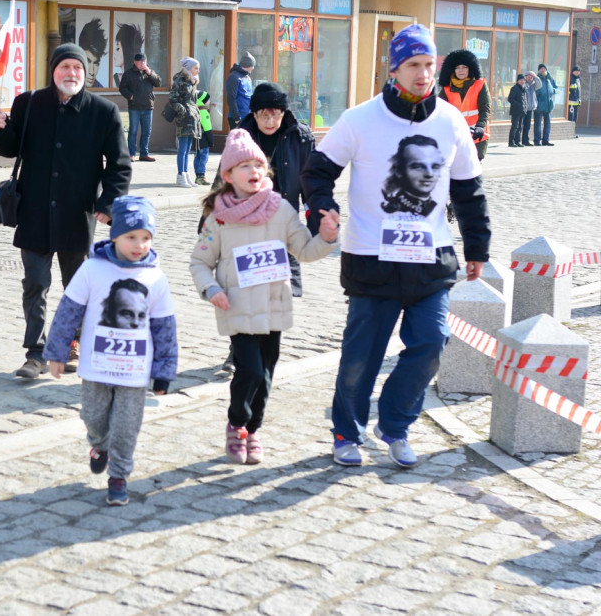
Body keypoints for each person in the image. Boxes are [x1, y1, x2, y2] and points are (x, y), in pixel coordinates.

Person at [301, 24, 491, 469]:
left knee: (431, 342)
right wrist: (322, 210)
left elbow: (469, 191)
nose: (424, 74)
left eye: (430, 65)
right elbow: (316, 172)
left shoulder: (450, 121)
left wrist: (477, 248)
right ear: (395, 69)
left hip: (431, 259)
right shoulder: (360, 119)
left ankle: (395, 425)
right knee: (359, 359)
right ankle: (347, 432)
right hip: (372, 257)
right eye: (414, 66)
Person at [190, 129, 339, 465]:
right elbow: (200, 261)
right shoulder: (219, 217)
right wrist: (211, 289)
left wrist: (327, 238)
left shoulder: (281, 209)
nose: (254, 171)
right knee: (250, 371)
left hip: (274, 307)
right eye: (244, 166)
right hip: (237, 308)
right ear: (228, 175)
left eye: (258, 164)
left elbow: (303, 250)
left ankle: (253, 431)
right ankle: (237, 423)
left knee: (267, 374)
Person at [0, 43, 132, 378]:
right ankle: (35, 353)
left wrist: (108, 203)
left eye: (77, 68)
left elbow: (120, 165)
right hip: (34, 211)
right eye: (64, 67)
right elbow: (11, 149)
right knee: (35, 284)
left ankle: (71, 343)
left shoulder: (104, 111)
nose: (71, 74)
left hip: (77, 215)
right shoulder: (30, 102)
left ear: (85, 73)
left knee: (76, 287)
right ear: (53, 71)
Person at [44, 196, 177, 506]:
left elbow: (164, 327)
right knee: (93, 417)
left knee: (126, 427)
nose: (139, 244)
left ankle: (118, 476)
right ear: (114, 235)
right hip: (96, 365)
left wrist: (163, 373)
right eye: (131, 236)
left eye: (146, 238)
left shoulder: (155, 278)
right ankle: (98, 444)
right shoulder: (93, 269)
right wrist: (57, 353)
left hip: (134, 371)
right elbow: (68, 311)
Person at [238, 82, 315, 298]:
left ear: (284, 113)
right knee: (250, 291)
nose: (270, 122)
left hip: (284, 222)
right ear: (254, 115)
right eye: (264, 116)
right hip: (248, 223)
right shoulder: (241, 136)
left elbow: (311, 184)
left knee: (284, 294)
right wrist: (208, 221)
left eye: (276, 116)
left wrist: (315, 221)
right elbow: (223, 181)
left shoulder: (301, 137)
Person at [438, 49, 490, 161]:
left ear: (470, 69)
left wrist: (480, 126)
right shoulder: (446, 89)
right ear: (453, 70)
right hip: (456, 135)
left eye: (464, 67)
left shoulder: (479, 84)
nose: (460, 70)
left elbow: (485, 108)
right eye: (457, 68)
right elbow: (439, 111)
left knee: (474, 166)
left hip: (477, 135)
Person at [119, 52, 161, 162]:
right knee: (133, 131)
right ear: (135, 62)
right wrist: (131, 96)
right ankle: (131, 154)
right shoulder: (128, 74)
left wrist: (149, 72)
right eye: (140, 61)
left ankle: (144, 154)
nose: (142, 63)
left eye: (144, 61)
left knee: (147, 131)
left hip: (148, 106)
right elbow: (122, 88)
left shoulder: (149, 72)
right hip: (134, 107)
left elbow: (158, 83)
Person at [169, 57, 201, 189]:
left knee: (188, 149)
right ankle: (180, 176)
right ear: (188, 68)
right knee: (182, 149)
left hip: (192, 119)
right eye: (195, 68)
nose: (198, 70)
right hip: (184, 119)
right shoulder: (180, 80)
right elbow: (173, 99)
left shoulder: (192, 81)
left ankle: (186, 174)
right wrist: (183, 111)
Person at [224, 53, 255, 130]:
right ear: (248, 65)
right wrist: (237, 118)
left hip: (247, 116)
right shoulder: (234, 77)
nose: (253, 68)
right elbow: (231, 99)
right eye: (252, 65)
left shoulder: (247, 77)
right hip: (238, 118)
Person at [78, 18, 108, 89]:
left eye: (96, 63)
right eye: (87, 61)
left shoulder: (100, 89)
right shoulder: (70, 86)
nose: (91, 72)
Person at [193, 89, 215, 185]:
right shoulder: (204, 112)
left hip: (196, 138)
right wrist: (211, 141)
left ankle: (197, 176)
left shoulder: (196, 109)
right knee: (203, 157)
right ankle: (201, 176)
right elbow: (207, 128)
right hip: (204, 139)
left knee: (197, 157)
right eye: (208, 100)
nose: (209, 102)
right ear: (203, 101)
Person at [112, 22, 144, 88]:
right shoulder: (113, 81)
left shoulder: (142, 77)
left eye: (118, 48)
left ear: (127, 50)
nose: (114, 52)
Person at [533, 63, 557, 146]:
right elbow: (534, 91)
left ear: (546, 70)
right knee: (538, 124)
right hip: (539, 105)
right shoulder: (536, 79)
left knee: (548, 124)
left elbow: (555, 88)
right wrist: (538, 93)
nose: (543, 70)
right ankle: (537, 140)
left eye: (544, 68)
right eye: (541, 69)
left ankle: (546, 140)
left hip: (548, 105)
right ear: (539, 70)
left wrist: (553, 91)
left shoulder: (550, 79)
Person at [507, 74, 527, 147]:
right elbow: (510, 99)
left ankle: (517, 141)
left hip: (522, 111)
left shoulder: (523, 88)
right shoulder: (514, 88)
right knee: (515, 126)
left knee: (520, 127)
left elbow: (524, 100)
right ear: (518, 81)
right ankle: (511, 142)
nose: (522, 81)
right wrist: (518, 105)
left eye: (523, 80)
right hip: (515, 111)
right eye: (521, 80)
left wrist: (525, 108)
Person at [521, 71, 537, 147]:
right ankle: (517, 140)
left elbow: (540, 85)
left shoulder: (533, 84)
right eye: (529, 76)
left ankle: (525, 140)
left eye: (532, 77)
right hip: (523, 108)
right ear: (526, 76)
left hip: (530, 108)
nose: (531, 78)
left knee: (527, 125)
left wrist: (536, 77)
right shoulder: (524, 84)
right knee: (520, 125)